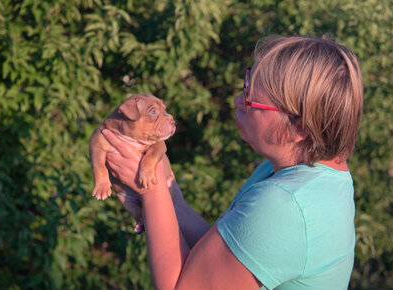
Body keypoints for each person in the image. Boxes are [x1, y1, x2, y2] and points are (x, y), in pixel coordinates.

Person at [101, 35, 363, 289]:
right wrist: (171, 199)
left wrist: (151, 185)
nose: (238, 101)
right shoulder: (302, 175)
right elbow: (223, 257)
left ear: (300, 128)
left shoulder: (286, 204)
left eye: (251, 99)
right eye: (246, 85)